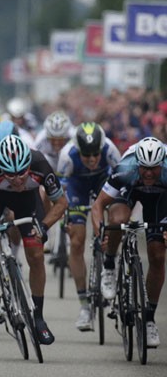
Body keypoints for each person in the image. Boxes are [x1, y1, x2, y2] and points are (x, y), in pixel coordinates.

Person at [0, 135, 67, 345]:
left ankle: (38, 316)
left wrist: (45, 225)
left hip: (28, 202)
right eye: (10, 175)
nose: (18, 179)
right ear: (1, 168)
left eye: (22, 173)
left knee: (36, 255)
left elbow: (61, 203)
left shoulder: (40, 164)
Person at [91, 137, 167, 348]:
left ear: (162, 164)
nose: (149, 173)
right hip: (129, 191)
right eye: (145, 168)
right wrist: (100, 230)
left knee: (158, 255)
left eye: (154, 168)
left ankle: (149, 319)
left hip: (162, 199)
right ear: (138, 164)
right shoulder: (125, 169)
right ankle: (109, 264)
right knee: (117, 221)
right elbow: (99, 204)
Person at [56, 122, 120, 331]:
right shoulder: (67, 156)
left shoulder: (110, 150)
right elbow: (59, 194)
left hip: (104, 182)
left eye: (95, 155)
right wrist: (65, 219)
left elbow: (123, 183)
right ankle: (85, 306)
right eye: (86, 155)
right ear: (78, 150)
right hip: (77, 187)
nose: (92, 159)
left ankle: (115, 273)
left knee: (115, 224)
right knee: (76, 241)